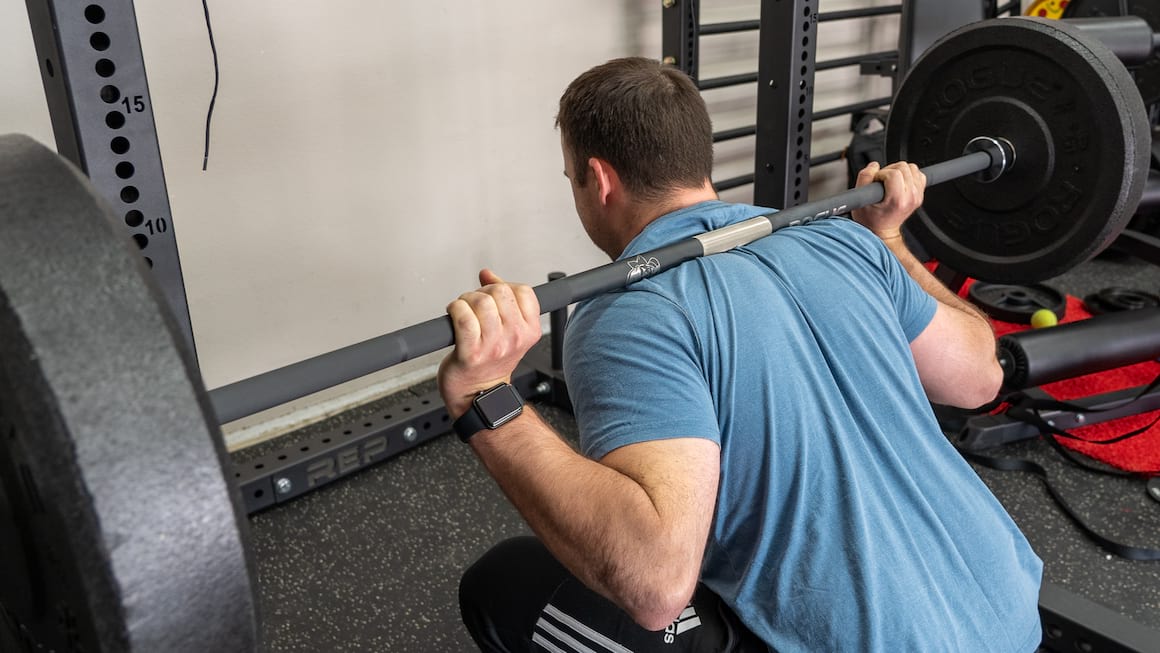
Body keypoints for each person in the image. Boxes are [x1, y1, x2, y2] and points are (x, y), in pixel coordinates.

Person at [437, 56, 1043, 652]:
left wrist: (487, 397)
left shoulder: (629, 312)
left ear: (599, 179)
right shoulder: (842, 240)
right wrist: (888, 237)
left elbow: (656, 584)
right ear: (698, 162)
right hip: (1009, 617)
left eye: (571, 179)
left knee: (506, 587)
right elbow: (981, 377)